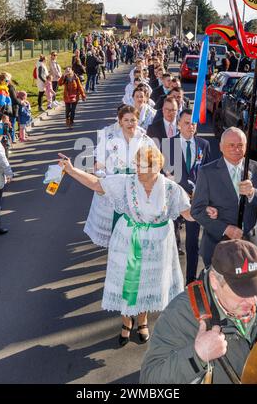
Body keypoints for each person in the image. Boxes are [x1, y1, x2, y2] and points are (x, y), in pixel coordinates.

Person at [60, 145, 193, 346]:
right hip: (128, 241)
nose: (138, 169)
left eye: (143, 166)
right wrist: (71, 170)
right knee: (126, 282)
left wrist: (209, 209)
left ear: (156, 167)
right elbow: (97, 183)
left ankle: (142, 320)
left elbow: (188, 213)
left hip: (157, 247)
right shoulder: (126, 182)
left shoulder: (171, 188)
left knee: (147, 282)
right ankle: (125, 322)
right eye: (136, 164)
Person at [140, 239, 257, 384]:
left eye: (256, 289)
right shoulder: (180, 314)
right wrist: (197, 357)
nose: (252, 301)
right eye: (242, 292)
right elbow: (149, 379)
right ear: (214, 281)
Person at [191, 127, 257, 267]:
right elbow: (196, 211)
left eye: (240, 145)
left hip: (248, 246)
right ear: (221, 147)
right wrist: (226, 229)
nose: (236, 149)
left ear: (246, 146)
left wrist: (252, 193)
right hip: (217, 245)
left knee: (247, 287)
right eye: (231, 145)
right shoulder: (207, 172)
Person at [84, 106, 154, 248]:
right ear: (120, 122)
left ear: (137, 121)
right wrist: (101, 177)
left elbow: (154, 163)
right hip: (116, 187)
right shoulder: (110, 138)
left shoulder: (145, 139)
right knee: (118, 224)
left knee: (137, 226)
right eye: (126, 120)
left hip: (137, 187)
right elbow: (100, 165)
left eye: (133, 120)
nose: (130, 123)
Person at [168, 109, 211, 284]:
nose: (190, 126)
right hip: (174, 200)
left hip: (195, 202)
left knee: (192, 243)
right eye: (186, 123)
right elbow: (166, 173)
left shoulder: (204, 144)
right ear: (178, 124)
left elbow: (209, 173)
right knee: (170, 240)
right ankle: (170, 279)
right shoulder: (167, 144)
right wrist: (180, 190)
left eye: (193, 123)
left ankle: (190, 280)